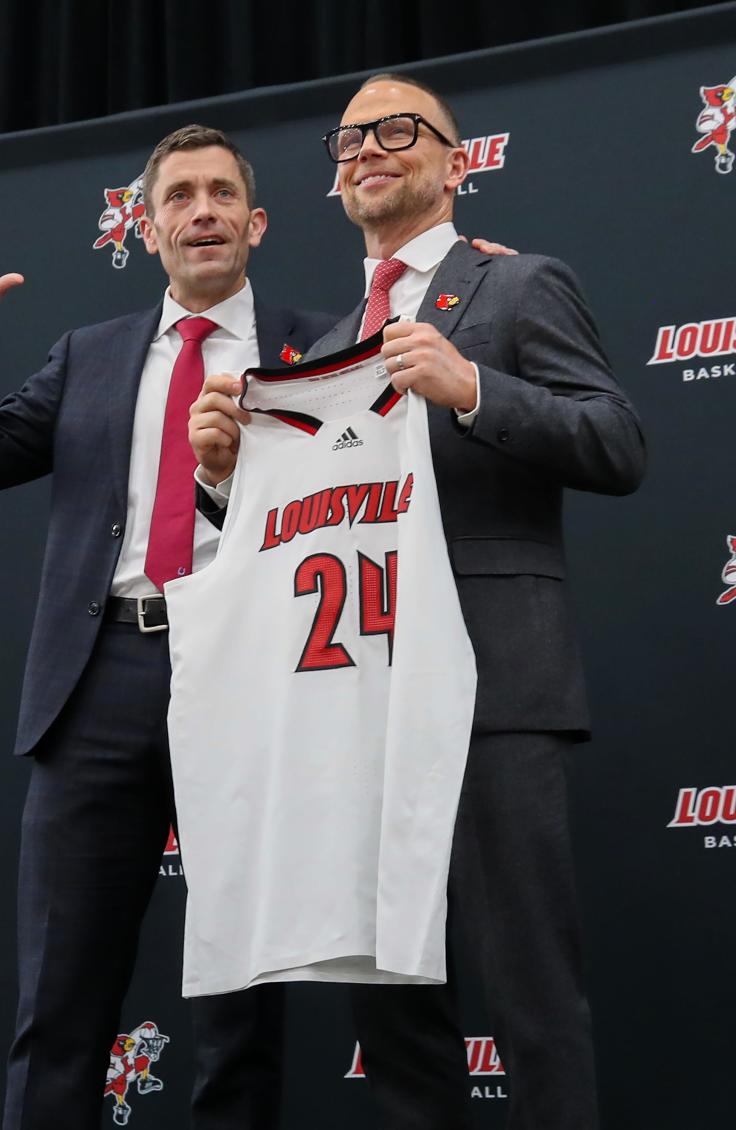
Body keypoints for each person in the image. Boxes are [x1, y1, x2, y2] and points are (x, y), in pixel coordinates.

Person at [190, 75, 646, 1130]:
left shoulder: (520, 286)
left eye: (397, 130)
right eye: (348, 140)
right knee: (391, 1005)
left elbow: (619, 442)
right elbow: (303, 528)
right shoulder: (330, 340)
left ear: (457, 160)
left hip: (493, 686)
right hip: (361, 698)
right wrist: (224, 477)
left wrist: (475, 387)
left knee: (530, 988)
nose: (367, 151)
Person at [0, 124, 337, 1130]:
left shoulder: (319, 349)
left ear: (256, 222)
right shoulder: (88, 356)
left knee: (239, 1013)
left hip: (253, 680)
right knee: (59, 1003)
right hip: (98, 682)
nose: (203, 210)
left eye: (222, 193)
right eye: (179, 195)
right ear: (148, 230)